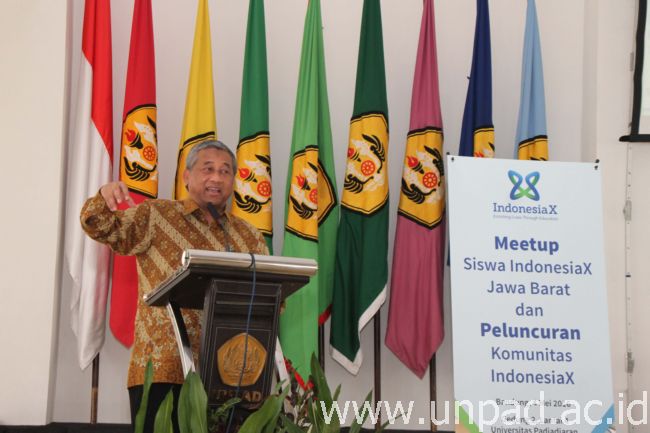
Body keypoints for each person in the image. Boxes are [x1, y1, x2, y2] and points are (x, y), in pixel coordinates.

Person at [80, 140, 268, 433]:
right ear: (186, 176)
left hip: (229, 377)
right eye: (208, 169)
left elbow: (270, 299)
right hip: (163, 371)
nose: (216, 177)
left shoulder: (248, 235)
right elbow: (98, 225)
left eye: (225, 171)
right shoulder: (156, 215)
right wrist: (104, 196)